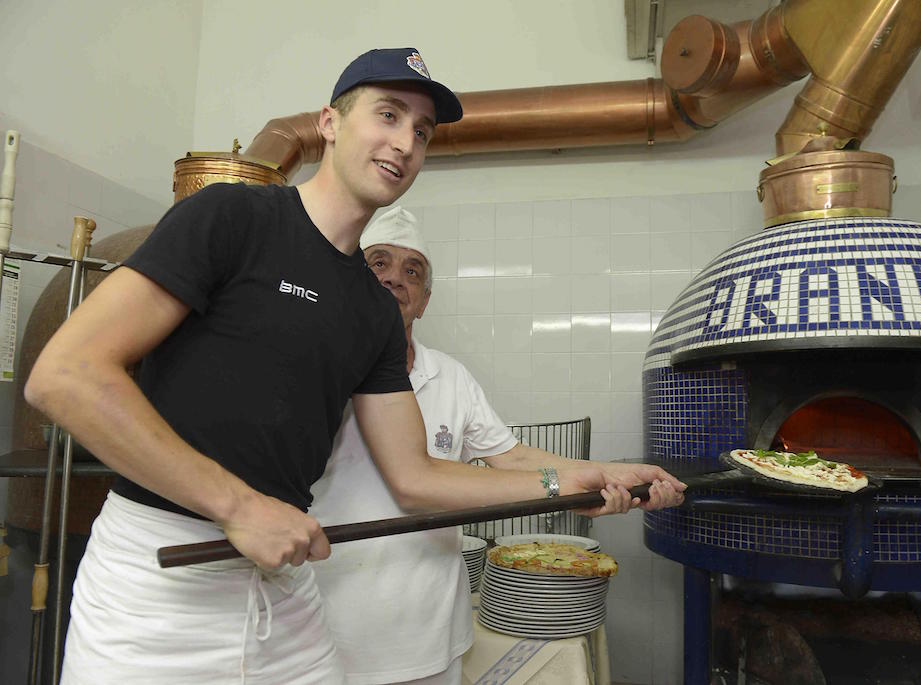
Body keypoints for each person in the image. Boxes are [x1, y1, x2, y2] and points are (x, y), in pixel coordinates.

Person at [24, 47, 685, 684]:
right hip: (158, 580)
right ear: (329, 122)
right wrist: (237, 503)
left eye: (422, 131)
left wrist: (578, 481)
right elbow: (67, 374)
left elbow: (417, 477)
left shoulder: (371, 309)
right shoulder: (232, 218)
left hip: (281, 585)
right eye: (388, 115)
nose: (405, 143)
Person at [309, 207, 683, 685]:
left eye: (412, 272)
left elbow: (514, 457)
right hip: (333, 622)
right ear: (352, 280)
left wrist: (613, 473)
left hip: (432, 629)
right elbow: (416, 483)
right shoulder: (318, 369)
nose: (395, 280)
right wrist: (562, 484)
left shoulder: (450, 376)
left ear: (424, 301)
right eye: (378, 263)